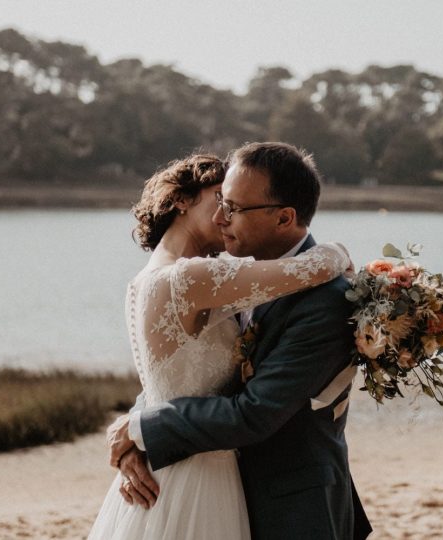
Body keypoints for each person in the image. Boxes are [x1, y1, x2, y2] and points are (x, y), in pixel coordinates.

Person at [88, 149, 357, 540]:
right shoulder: (212, 277)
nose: (222, 218)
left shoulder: (325, 300)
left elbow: (255, 413)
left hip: (292, 501)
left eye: (232, 207)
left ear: (284, 217)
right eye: (221, 203)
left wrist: (141, 429)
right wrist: (137, 428)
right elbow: (173, 373)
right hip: (200, 479)